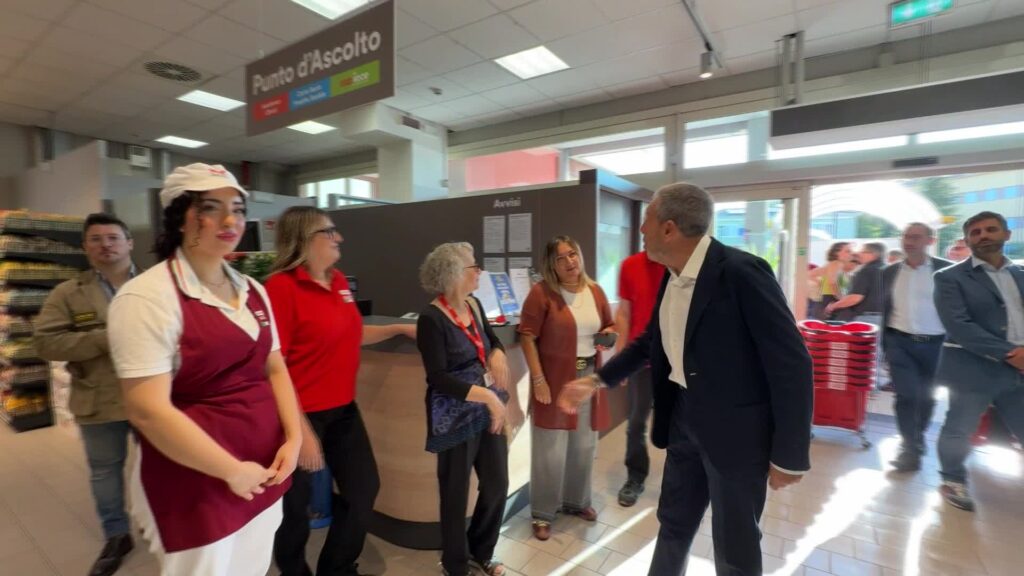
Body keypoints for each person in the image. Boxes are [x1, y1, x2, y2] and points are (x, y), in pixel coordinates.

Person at [558, 183, 813, 576]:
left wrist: (789, 456)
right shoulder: (672, 276)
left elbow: (792, 363)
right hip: (683, 421)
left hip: (736, 435)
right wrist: (596, 381)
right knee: (673, 523)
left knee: (735, 545)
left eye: (647, 220)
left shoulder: (742, 272)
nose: (641, 230)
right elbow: (651, 341)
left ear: (669, 228)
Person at [107, 163, 302, 575]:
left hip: (264, 468)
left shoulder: (253, 290)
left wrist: (294, 437)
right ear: (180, 219)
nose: (230, 221)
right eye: (211, 208)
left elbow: (275, 367)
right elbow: (147, 410)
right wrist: (231, 471)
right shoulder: (147, 298)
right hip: (196, 481)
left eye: (238, 209)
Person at [266, 206, 414, 576]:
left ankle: (337, 567)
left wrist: (399, 328)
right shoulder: (281, 288)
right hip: (297, 416)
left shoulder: (339, 283)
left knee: (363, 490)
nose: (339, 238)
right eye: (329, 232)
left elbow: (352, 333)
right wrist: (300, 432)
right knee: (293, 510)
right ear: (304, 238)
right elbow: (273, 365)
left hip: (343, 410)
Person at [35, 213, 140, 576]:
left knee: (161, 467)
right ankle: (117, 535)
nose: (105, 245)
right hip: (98, 398)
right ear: (85, 247)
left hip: (154, 398)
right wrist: (103, 338)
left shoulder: (157, 286)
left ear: (129, 243)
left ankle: (161, 524)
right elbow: (46, 343)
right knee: (105, 471)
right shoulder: (68, 292)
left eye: (113, 237)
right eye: (96, 239)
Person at [415, 242, 512, 576]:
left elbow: (492, 341)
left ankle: (481, 551)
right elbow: (438, 377)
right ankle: (455, 565)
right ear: (455, 273)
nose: (479, 271)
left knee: (497, 483)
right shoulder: (431, 318)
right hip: (454, 417)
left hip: (486, 409)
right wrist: (488, 397)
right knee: (455, 493)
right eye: (474, 267)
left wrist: (498, 353)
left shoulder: (475, 304)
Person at [519, 235, 616, 541]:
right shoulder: (541, 293)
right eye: (560, 258)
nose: (569, 262)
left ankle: (577, 501)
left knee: (584, 444)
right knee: (549, 448)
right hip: (553, 378)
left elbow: (609, 324)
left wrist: (609, 334)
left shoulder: (595, 290)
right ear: (552, 265)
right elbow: (526, 336)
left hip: (587, 376)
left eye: (572, 254)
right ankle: (543, 512)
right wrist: (538, 380)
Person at [934, 211, 1024, 512]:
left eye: (990, 229)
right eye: (976, 232)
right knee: (959, 428)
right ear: (968, 240)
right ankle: (952, 480)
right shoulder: (949, 278)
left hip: (1019, 371)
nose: (983, 235)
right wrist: (1011, 353)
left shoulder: (1020, 274)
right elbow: (959, 326)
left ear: (1006, 234)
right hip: (973, 368)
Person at [882, 223, 952, 472]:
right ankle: (909, 448)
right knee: (906, 395)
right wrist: (886, 346)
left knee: (927, 397)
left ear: (930, 241)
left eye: (915, 237)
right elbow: (886, 308)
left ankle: (917, 437)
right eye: (905, 237)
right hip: (899, 343)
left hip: (936, 345)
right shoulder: (889, 272)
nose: (908, 241)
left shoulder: (946, 270)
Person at [613, 249, 665, 507]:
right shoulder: (630, 265)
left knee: (679, 423)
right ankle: (635, 476)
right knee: (636, 422)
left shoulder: (679, 263)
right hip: (641, 360)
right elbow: (624, 313)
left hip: (674, 361)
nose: (644, 232)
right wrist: (621, 357)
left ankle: (682, 480)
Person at [826, 242, 885, 324]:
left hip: (867, 318)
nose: (859, 254)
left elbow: (855, 298)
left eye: (863, 252)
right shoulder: (887, 268)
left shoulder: (866, 271)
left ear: (873, 254)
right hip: (883, 318)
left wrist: (833, 306)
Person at [807, 242, 851, 319]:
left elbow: (810, 274)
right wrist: (841, 298)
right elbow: (832, 282)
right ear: (837, 253)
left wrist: (821, 283)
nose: (850, 254)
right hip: (830, 301)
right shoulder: (836, 264)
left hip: (825, 301)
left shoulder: (832, 264)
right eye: (847, 251)